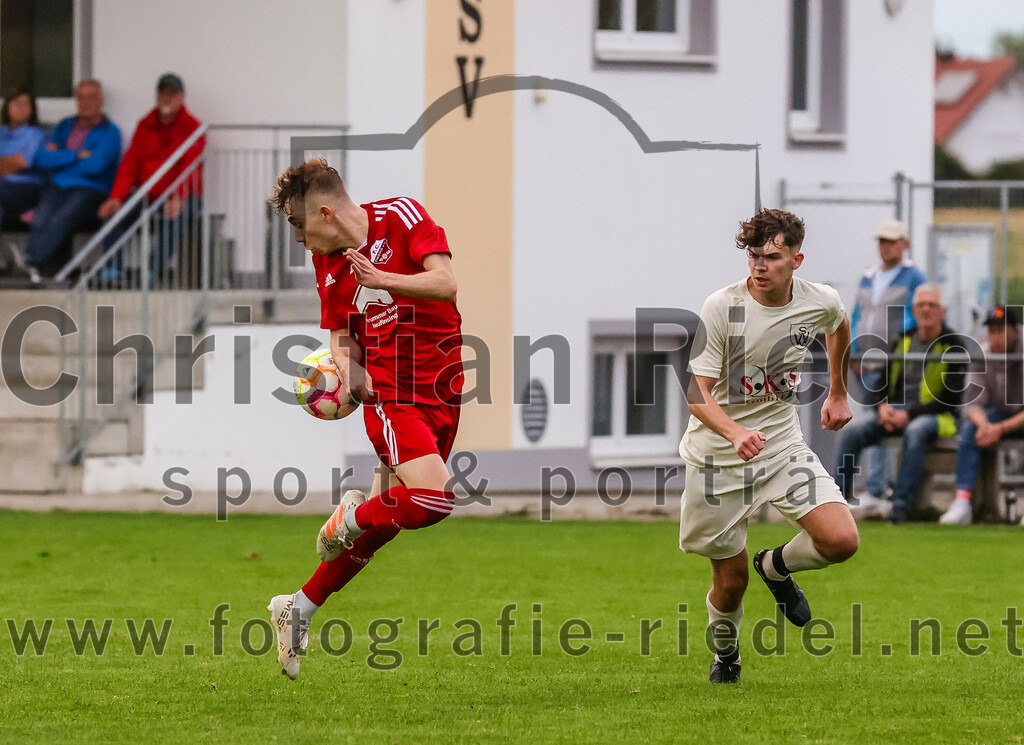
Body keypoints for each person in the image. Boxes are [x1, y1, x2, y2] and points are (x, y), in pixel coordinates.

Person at [264, 159, 463, 679]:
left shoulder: (402, 216)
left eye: (300, 228)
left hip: (443, 385)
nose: (302, 243)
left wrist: (384, 279)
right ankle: (350, 518)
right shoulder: (328, 266)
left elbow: (445, 284)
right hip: (391, 394)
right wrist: (349, 371)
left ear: (326, 213)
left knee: (392, 517)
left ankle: (299, 606)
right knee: (433, 499)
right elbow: (339, 333)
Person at [680, 208, 858, 684]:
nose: (759, 266)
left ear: (796, 259)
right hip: (719, 457)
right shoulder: (724, 306)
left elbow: (839, 325)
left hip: (780, 445)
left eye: (772, 257)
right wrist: (735, 432)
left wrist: (838, 390)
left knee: (841, 541)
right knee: (730, 583)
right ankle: (727, 656)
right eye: (754, 256)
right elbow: (697, 394)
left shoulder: (819, 300)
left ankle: (774, 567)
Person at [835, 284, 968, 524]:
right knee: (854, 431)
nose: (926, 310)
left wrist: (910, 415)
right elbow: (880, 385)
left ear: (943, 312)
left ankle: (902, 506)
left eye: (932, 305)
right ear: (914, 310)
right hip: (896, 412)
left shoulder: (954, 345)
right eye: (921, 305)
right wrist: (882, 408)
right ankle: (835, 502)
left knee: (916, 431)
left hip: (939, 417)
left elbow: (951, 399)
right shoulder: (902, 340)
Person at [848, 220, 927, 514]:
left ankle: (878, 489)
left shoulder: (914, 277)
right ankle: (877, 487)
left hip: (894, 363)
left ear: (904, 244)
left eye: (892, 241)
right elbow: (858, 315)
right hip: (866, 362)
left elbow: (918, 318)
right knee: (874, 419)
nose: (886, 246)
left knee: (884, 419)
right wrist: (855, 351)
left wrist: (900, 351)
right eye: (882, 241)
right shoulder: (869, 277)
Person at [98, 73, 204, 280]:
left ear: (182, 97)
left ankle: (152, 271)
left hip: (185, 195)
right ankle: (113, 270)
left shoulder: (192, 128)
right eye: (163, 93)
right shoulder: (144, 125)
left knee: (178, 215)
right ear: (156, 95)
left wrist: (178, 197)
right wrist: (117, 197)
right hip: (148, 194)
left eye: (172, 94)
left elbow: (191, 169)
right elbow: (129, 165)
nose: (167, 98)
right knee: (112, 213)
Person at [15, 80, 120, 281]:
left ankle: (30, 262)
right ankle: (40, 269)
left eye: (91, 96)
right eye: (81, 97)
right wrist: (76, 155)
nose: (85, 102)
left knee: (61, 218)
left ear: (101, 100)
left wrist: (60, 158)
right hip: (57, 185)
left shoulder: (110, 132)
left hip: (90, 189)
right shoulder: (64, 126)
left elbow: (95, 166)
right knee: (40, 219)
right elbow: (41, 158)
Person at [940, 306, 1024, 525]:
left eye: (1001, 330)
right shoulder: (982, 354)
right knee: (970, 429)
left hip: (1017, 418)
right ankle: (962, 502)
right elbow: (973, 404)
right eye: (992, 331)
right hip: (998, 415)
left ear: (1016, 330)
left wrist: (1000, 428)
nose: (995, 337)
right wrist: (985, 425)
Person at [0, 88, 45, 230]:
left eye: (25, 104)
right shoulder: (1, 132)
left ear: (32, 109)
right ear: (7, 107)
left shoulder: (36, 134)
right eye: (16, 103)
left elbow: (23, 162)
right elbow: (14, 162)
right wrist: (10, 162)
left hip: (26, 189)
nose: (20, 108)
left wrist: (8, 164)